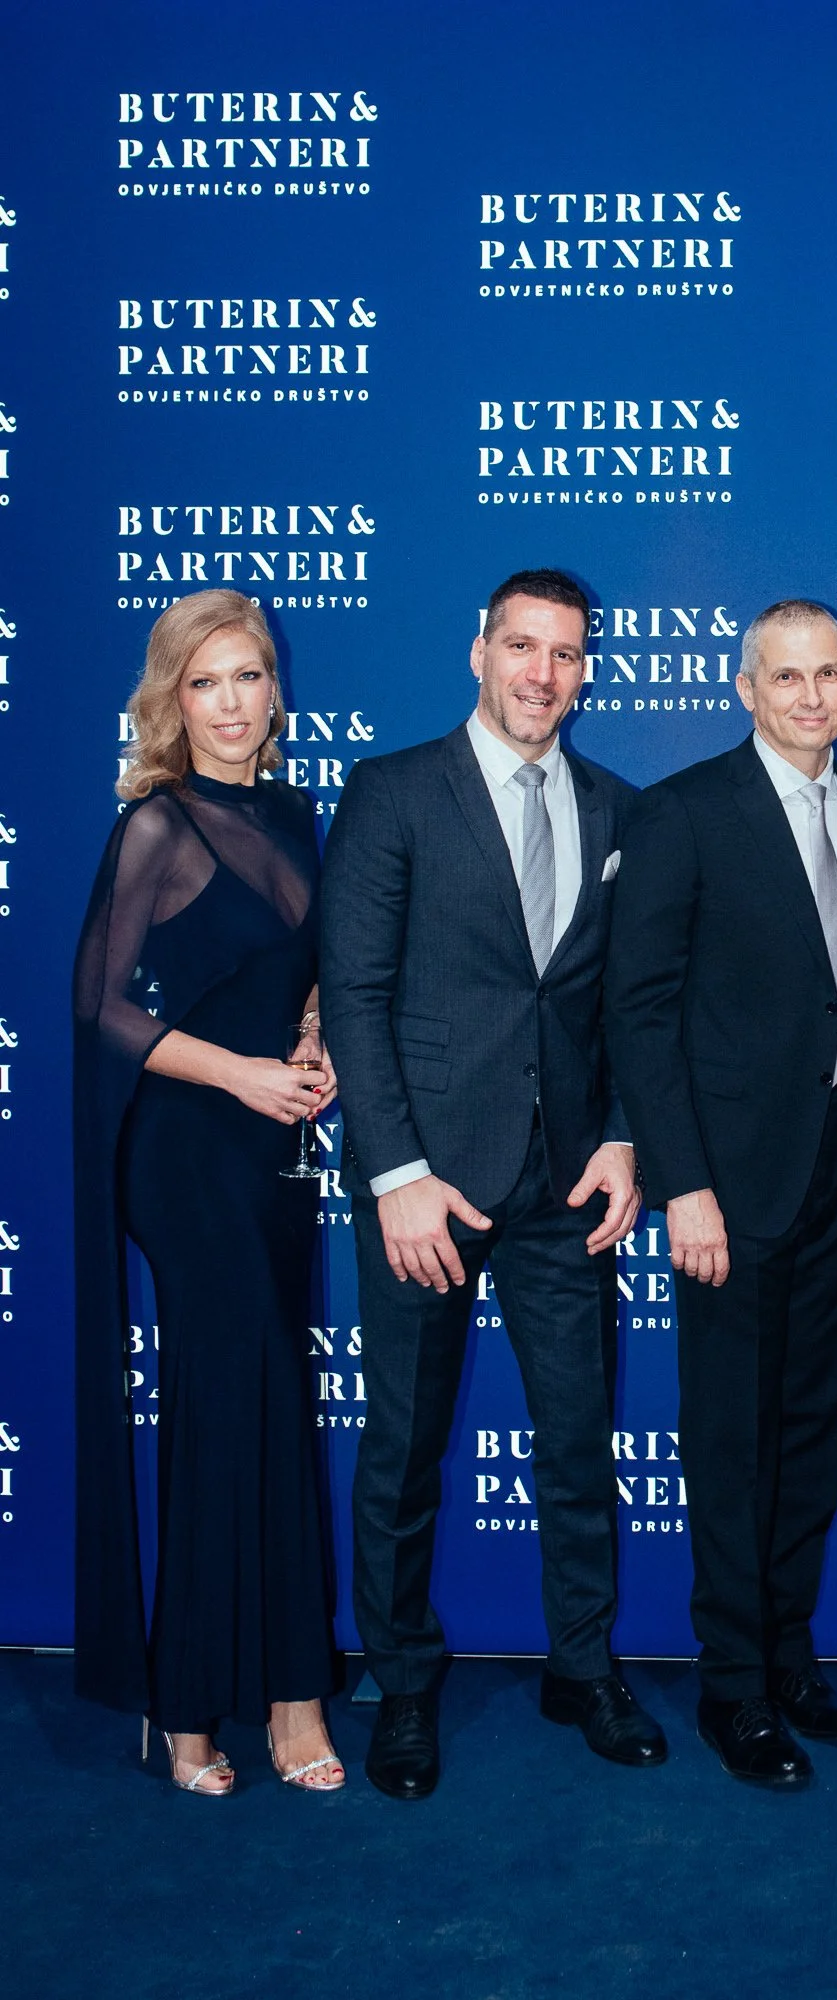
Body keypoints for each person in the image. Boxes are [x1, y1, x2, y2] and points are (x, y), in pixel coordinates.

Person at [320, 567, 662, 1801]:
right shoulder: (393, 790)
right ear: (480, 651)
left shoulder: (617, 807)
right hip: (427, 1185)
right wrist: (397, 1172)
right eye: (522, 646)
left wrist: (621, 1136)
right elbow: (355, 994)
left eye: (564, 653)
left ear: (587, 670)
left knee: (576, 1441)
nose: (541, 673)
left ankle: (584, 1666)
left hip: (564, 1188)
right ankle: (404, 1683)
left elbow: (625, 1003)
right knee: (404, 1445)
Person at [604, 600, 837, 1790]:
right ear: (745, 687)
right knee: (730, 1433)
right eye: (786, 676)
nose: (810, 695)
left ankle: (788, 1656)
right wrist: (683, 1185)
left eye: (828, 674)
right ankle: (732, 1686)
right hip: (727, 1175)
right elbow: (637, 1011)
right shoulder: (684, 811)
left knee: (812, 1421)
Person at [73, 589, 343, 1795]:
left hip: (273, 1153)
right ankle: (192, 1704)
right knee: (231, 1401)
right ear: (172, 700)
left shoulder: (294, 811)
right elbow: (100, 1005)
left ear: (273, 689)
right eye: (205, 682)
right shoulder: (157, 824)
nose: (231, 703)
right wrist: (238, 1070)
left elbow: (298, 970)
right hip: (185, 1153)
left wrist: (314, 1034)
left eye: (248, 676)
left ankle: (288, 1690)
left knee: (274, 1403)